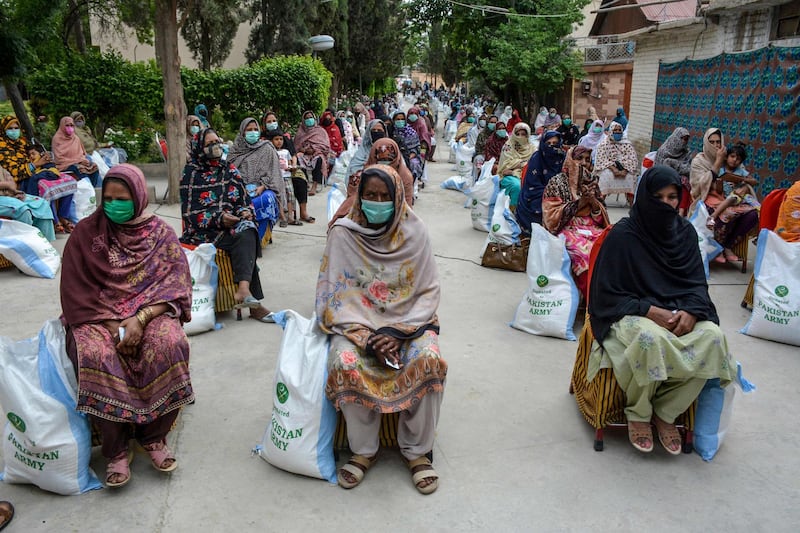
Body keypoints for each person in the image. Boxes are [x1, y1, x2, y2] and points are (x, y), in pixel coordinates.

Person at [61, 164, 194, 488]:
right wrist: (114, 325)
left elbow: (177, 287)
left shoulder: (160, 234)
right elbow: (76, 293)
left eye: (121, 198)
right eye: (107, 198)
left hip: (149, 312)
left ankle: (154, 437)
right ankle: (116, 449)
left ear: (138, 196)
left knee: (169, 344)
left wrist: (140, 319)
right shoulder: (86, 234)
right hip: (97, 315)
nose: (113, 204)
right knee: (94, 354)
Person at [587, 165, 736, 454]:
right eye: (659, 197)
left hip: (679, 311)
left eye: (672, 197)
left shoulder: (685, 234)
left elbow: (696, 285)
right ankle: (639, 413)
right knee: (650, 340)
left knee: (714, 338)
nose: (666, 204)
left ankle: (666, 413)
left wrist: (692, 311)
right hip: (631, 312)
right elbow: (605, 294)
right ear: (645, 197)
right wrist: (648, 310)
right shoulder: (624, 236)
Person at [317, 165, 447, 494]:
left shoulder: (415, 232)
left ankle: (417, 452)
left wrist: (397, 332)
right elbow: (332, 298)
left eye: (385, 197)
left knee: (428, 360)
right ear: (359, 197)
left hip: (409, 326)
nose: (377, 202)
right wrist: (367, 337)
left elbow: (428, 292)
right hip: (357, 326)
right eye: (370, 196)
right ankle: (364, 450)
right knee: (345, 361)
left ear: (398, 197)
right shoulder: (343, 234)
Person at [180, 128, 272, 322]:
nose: (215, 146)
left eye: (217, 141)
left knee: (247, 230)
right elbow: (190, 214)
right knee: (243, 241)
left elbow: (243, 200)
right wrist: (219, 218)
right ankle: (254, 304)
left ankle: (244, 290)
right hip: (203, 232)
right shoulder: (190, 173)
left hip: (230, 226)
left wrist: (244, 213)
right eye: (209, 144)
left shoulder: (228, 169)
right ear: (199, 148)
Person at [542, 146, 608, 299]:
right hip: (566, 228)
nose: (584, 163)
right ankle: (593, 302)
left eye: (587, 160)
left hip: (591, 227)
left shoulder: (591, 182)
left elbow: (601, 217)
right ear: (570, 159)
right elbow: (551, 217)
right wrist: (579, 203)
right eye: (579, 159)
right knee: (585, 254)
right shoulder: (557, 182)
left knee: (611, 246)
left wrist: (592, 203)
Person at [689, 129, 759, 263]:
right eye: (712, 142)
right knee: (727, 214)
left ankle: (728, 246)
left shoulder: (731, 157)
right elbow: (698, 187)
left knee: (752, 215)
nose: (715, 145)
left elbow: (742, 177)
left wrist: (743, 187)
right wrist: (718, 162)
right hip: (706, 199)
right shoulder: (699, 161)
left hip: (731, 199)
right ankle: (717, 248)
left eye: (718, 142)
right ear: (706, 143)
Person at [330, 137, 415, 228]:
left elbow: (407, 206)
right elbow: (352, 200)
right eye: (381, 161)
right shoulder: (361, 177)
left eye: (388, 161)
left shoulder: (405, 177)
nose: (384, 166)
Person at [228, 117, 286, 232]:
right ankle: (240, 234)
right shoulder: (234, 150)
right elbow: (228, 173)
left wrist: (263, 186)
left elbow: (274, 173)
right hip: (239, 189)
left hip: (262, 189)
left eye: (255, 129)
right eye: (249, 130)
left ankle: (259, 238)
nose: (253, 132)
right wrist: (241, 188)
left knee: (266, 200)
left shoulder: (267, 148)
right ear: (242, 132)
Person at [261, 111, 314, 224]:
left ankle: (303, 212)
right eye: (269, 121)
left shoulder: (284, 137)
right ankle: (282, 214)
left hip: (288, 169)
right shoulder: (262, 140)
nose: (272, 123)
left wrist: (293, 165)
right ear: (264, 124)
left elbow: (293, 154)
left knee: (300, 178)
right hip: (271, 170)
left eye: (274, 121)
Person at [516, 130, 567, 233]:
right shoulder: (537, 158)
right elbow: (532, 184)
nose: (551, 147)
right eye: (548, 144)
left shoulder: (563, 157)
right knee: (541, 204)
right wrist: (549, 191)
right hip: (537, 192)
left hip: (559, 192)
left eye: (555, 143)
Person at [26, 143, 76, 233]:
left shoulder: (47, 162)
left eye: (33, 153)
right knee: (49, 193)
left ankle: (63, 216)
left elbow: (53, 171)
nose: (31, 157)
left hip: (52, 177)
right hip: (43, 186)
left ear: (41, 154)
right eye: (29, 155)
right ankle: (56, 220)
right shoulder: (30, 167)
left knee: (69, 184)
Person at [0, 166, 57, 241]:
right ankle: (26, 245)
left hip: (8, 195)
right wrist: (6, 185)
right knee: (22, 210)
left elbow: (11, 183)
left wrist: (8, 183)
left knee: (42, 204)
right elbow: (9, 184)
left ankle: (45, 245)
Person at [593, 121, 638, 200]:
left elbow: (632, 159)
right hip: (609, 167)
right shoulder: (604, 144)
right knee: (606, 175)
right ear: (611, 131)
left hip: (625, 169)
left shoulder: (627, 144)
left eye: (619, 130)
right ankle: (601, 199)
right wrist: (614, 169)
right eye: (615, 130)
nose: (617, 132)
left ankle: (631, 202)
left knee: (630, 177)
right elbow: (601, 159)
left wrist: (625, 170)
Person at [52, 116, 101, 187]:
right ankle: (86, 188)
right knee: (80, 169)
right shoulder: (57, 139)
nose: (70, 127)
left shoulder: (76, 138)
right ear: (62, 126)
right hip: (64, 165)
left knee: (94, 166)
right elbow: (59, 159)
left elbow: (82, 153)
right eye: (67, 125)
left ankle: (92, 189)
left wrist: (83, 160)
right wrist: (78, 161)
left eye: (71, 125)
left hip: (79, 162)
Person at [295, 111, 335, 196]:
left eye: (310, 117)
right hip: (305, 154)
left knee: (318, 159)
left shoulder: (320, 131)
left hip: (317, 152)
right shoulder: (301, 131)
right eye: (306, 118)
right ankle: (305, 182)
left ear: (314, 118)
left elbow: (325, 146)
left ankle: (314, 185)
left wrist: (314, 149)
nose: (309, 119)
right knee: (298, 158)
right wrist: (304, 150)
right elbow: (297, 145)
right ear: (303, 120)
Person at [655, 127, 693, 214]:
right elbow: (660, 170)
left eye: (686, 140)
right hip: (664, 179)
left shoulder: (687, 152)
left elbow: (689, 169)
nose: (684, 142)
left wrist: (673, 163)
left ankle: (681, 212)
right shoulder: (663, 151)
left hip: (680, 180)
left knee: (684, 181)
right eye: (682, 139)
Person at [497, 122, 534, 211]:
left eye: (523, 134)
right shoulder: (508, 146)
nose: (520, 137)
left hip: (528, 174)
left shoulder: (532, 148)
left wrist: (518, 165)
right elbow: (505, 166)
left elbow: (533, 164)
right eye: (517, 134)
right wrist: (523, 164)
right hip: (509, 175)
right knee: (516, 185)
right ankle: (513, 211)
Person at [267, 131, 299, 225]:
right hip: (276, 178)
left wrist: (291, 168)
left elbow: (289, 163)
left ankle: (290, 216)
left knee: (290, 195)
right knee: (280, 196)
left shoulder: (286, 151)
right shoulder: (270, 152)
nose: (279, 141)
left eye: (281, 139)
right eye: (276, 139)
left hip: (286, 176)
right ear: (272, 141)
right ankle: (283, 217)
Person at [391, 110, 423, 183]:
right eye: (398, 119)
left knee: (414, 164)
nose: (400, 121)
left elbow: (417, 148)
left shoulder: (411, 132)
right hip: (394, 157)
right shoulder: (391, 132)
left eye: (402, 119)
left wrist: (409, 157)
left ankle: (412, 184)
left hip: (410, 156)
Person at [0, 115, 32, 187]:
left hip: (30, 175)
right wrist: (36, 164)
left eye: (16, 128)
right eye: (10, 128)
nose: (14, 131)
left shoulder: (22, 142)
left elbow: (32, 155)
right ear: (3, 130)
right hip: (12, 183)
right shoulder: (1, 146)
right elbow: (15, 172)